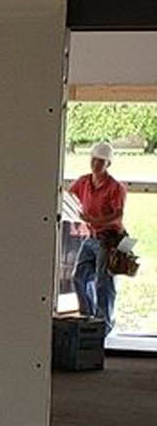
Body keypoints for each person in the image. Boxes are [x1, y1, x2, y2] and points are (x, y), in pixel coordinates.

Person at [69, 140, 127, 335]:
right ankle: (88, 317)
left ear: (108, 164)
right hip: (92, 237)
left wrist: (94, 219)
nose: (95, 164)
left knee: (104, 282)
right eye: (94, 160)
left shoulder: (115, 188)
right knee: (79, 277)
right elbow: (69, 193)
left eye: (100, 161)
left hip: (108, 238)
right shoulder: (84, 182)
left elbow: (117, 215)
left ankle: (104, 324)